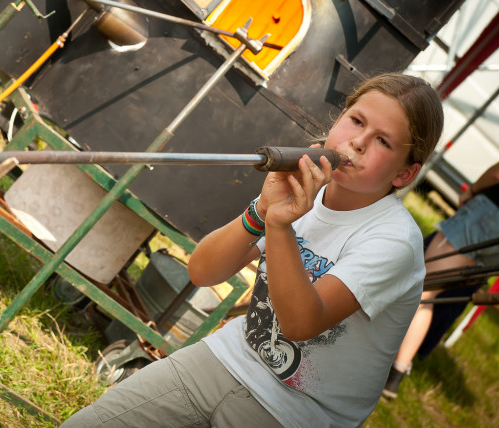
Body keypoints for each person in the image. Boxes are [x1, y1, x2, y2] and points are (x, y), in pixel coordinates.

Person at [61, 72, 444, 428]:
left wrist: (280, 224)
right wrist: (261, 211)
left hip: (297, 413)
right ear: (338, 119)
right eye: (357, 121)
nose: (358, 142)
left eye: (383, 141)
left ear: (405, 173)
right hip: (227, 358)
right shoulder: (302, 186)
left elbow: (300, 324)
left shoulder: (394, 241)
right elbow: (203, 271)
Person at [382, 159, 499, 399]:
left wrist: (474, 190)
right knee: (427, 292)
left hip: (488, 213)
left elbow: (497, 174)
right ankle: (393, 365)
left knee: (424, 291)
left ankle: (394, 369)